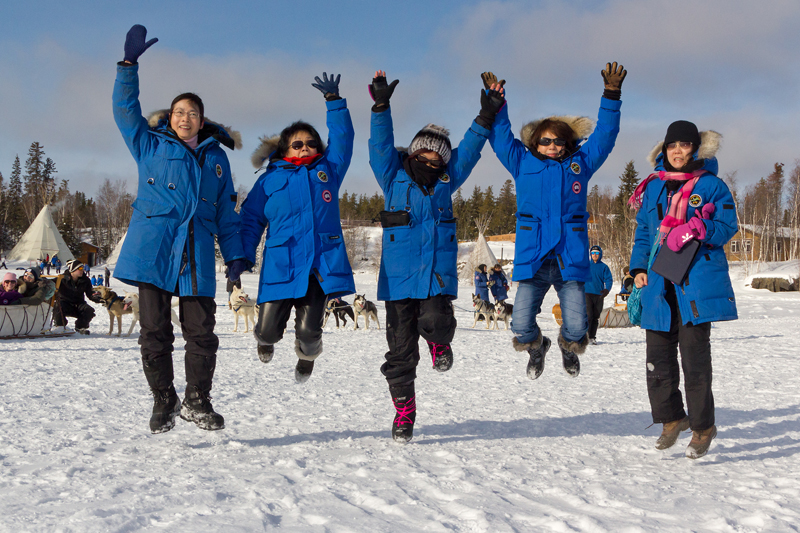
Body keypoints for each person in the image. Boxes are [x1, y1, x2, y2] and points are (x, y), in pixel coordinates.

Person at [113, 24, 248, 434]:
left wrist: (237, 258)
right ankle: (163, 398)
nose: (185, 118)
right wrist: (128, 66)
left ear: (202, 119)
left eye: (192, 112)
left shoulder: (218, 161)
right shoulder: (149, 144)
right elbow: (124, 110)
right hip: (154, 249)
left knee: (202, 333)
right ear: (169, 119)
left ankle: (197, 400)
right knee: (154, 330)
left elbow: (227, 215)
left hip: (197, 253)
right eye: (179, 112)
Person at [368, 69, 500, 442]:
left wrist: (486, 116)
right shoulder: (393, 177)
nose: (429, 156)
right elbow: (379, 145)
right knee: (400, 353)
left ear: (444, 159)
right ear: (413, 150)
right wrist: (380, 106)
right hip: (397, 280)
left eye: (437, 153)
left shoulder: (446, 181)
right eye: (423, 149)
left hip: (436, 277)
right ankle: (404, 413)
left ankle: (440, 343)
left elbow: (470, 151)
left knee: (437, 321)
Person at [484, 63, 625, 381]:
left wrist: (611, 94)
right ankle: (537, 347)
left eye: (559, 141)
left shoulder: (580, 165)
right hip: (533, 257)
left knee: (577, 327)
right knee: (519, 324)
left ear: (568, 143)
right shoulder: (521, 162)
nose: (553, 146)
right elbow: (500, 136)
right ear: (535, 142)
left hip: (569, 257)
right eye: (546, 141)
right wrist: (496, 102)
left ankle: (567, 349)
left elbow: (605, 136)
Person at [629, 120, 737, 459]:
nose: (678, 151)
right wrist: (638, 269)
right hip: (658, 285)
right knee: (657, 362)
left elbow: (727, 226)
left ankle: (704, 427)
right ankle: (672, 418)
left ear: (696, 149)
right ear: (665, 149)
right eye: (672, 145)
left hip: (694, 285)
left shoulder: (712, 185)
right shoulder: (654, 187)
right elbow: (643, 234)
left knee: (695, 363)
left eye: (685, 145)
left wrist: (697, 227)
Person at [241, 71, 355, 383]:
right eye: (297, 143)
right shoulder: (269, 180)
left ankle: (307, 357)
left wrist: (335, 104)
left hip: (318, 266)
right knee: (267, 330)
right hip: (281, 263)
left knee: (308, 332)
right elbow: (251, 220)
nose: (304, 148)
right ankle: (265, 341)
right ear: (284, 150)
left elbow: (343, 142)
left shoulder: (327, 171)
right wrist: (242, 255)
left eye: (310, 143)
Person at [53, 260, 102, 334]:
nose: (82, 270)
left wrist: (100, 298)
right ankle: (60, 326)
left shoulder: (85, 280)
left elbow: (91, 294)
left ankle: (80, 327)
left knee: (88, 310)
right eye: (80, 269)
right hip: (64, 303)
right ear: (72, 270)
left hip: (78, 304)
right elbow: (50, 283)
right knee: (58, 306)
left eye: (82, 268)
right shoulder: (62, 278)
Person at [585, 245, 613, 345]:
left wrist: (607, 290)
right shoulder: (586, 265)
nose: (595, 255)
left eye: (597, 253)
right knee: (589, 316)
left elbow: (609, 279)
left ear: (600, 254)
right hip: (587, 293)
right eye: (593, 253)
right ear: (590, 254)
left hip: (599, 295)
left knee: (596, 316)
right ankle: (586, 337)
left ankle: (592, 337)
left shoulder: (604, 267)